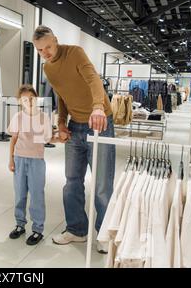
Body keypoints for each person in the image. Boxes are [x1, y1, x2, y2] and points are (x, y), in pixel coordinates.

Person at [32, 26, 116, 253]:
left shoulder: (75, 53)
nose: (46, 52)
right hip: (75, 127)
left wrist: (98, 107)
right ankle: (77, 230)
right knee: (71, 182)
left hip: (100, 122)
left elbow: (93, 80)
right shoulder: (48, 68)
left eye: (48, 47)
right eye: (40, 50)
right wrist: (61, 123)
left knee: (101, 185)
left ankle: (105, 233)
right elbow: (62, 96)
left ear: (56, 40)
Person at [7, 85, 55, 246]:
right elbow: (13, 139)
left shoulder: (43, 118)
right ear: (20, 102)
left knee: (36, 195)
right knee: (19, 194)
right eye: (25, 99)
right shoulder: (18, 117)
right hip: (19, 159)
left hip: (36, 161)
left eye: (31, 98)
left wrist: (60, 136)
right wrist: (11, 159)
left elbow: (48, 139)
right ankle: (20, 224)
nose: (29, 102)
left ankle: (37, 229)